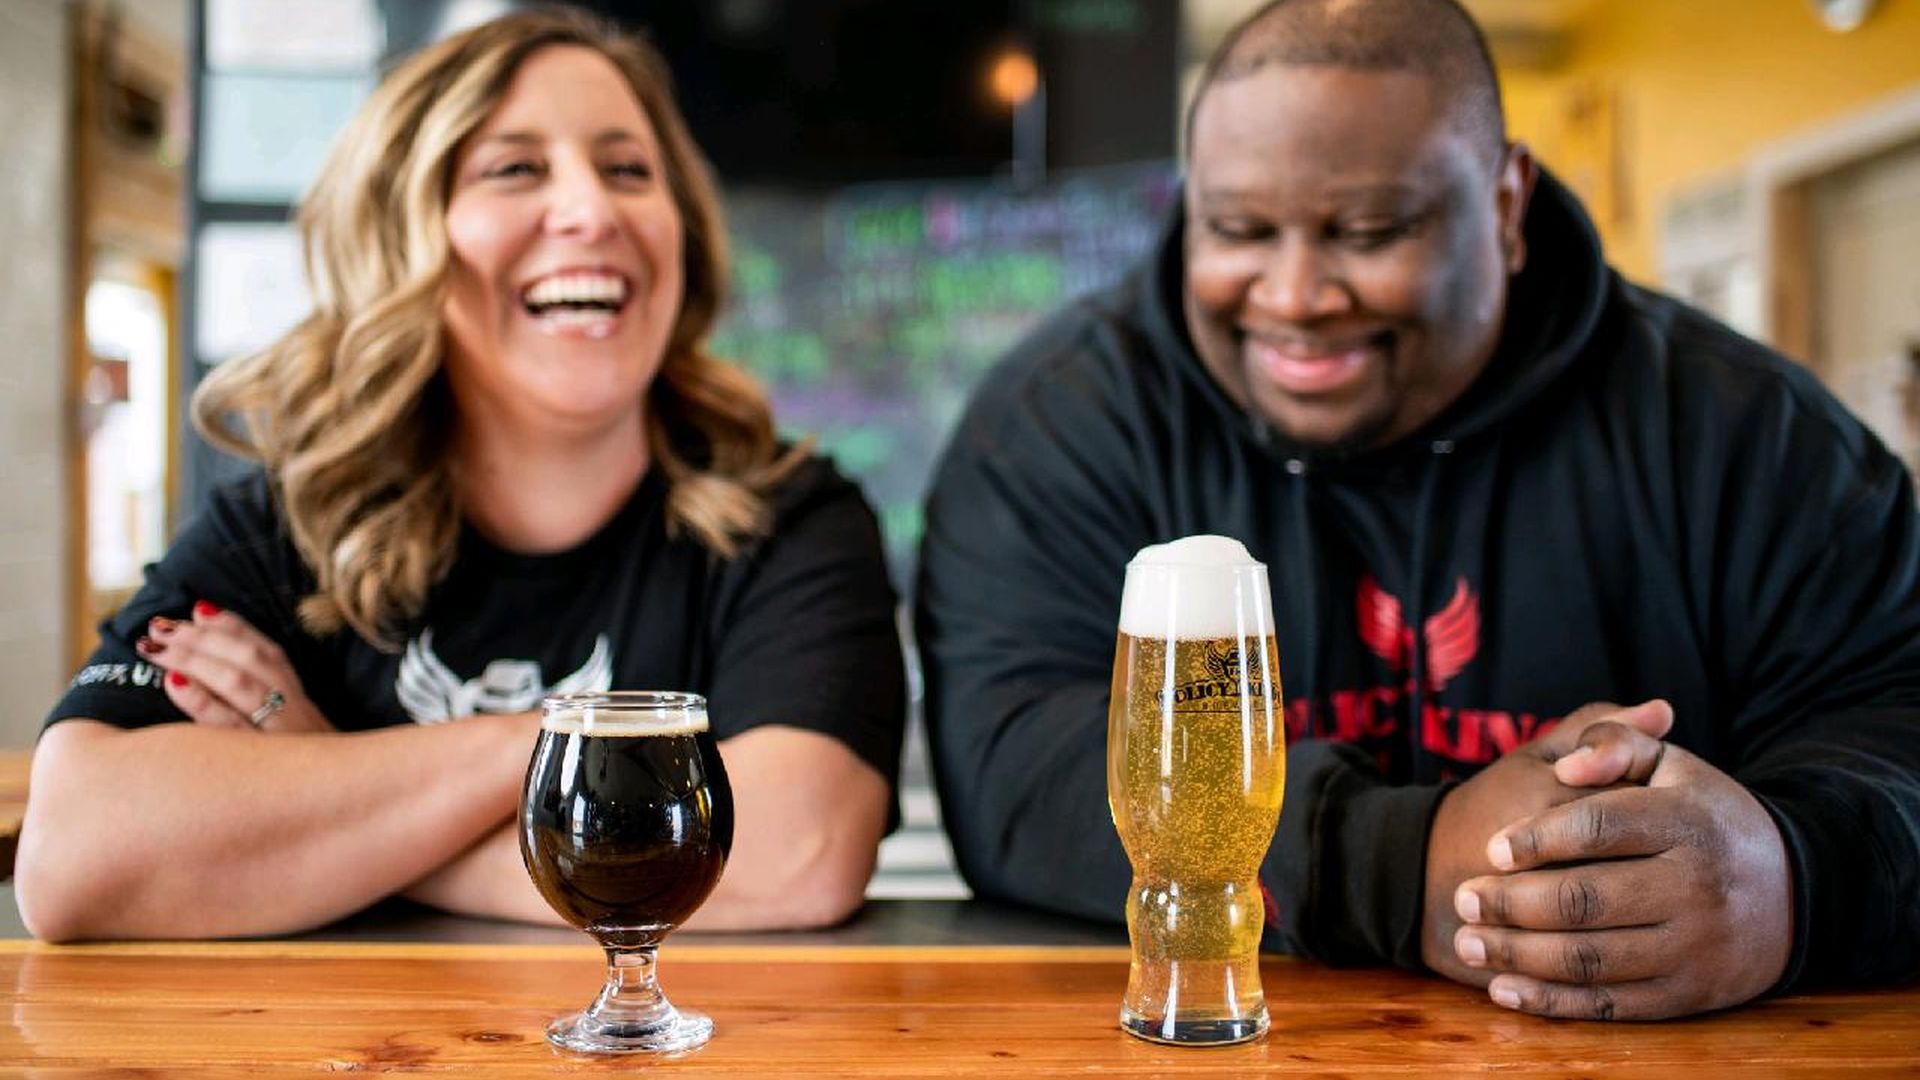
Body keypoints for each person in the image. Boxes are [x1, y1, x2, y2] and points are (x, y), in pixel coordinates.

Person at [916, 0, 1920, 1021]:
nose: (1296, 293)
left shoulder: (1748, 432)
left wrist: (1790, 875)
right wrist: (1411, 863)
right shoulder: (1061, 422)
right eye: (1238, 230)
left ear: (1507, 203)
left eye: (1369, 230)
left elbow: (1895, 715)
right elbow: (1012, 768)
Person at [18, 9, 904, 941]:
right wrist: (543, 750)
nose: (592, 211)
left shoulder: (790, 518)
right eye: (514, 168)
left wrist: (335, 802)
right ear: (403, 236)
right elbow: (77, 857)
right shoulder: (287, 527)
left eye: (628, 170)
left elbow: (799, 851)